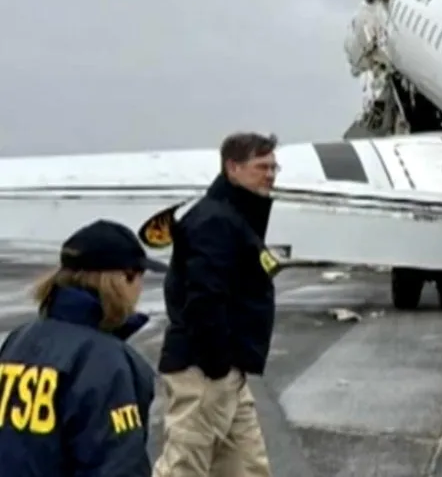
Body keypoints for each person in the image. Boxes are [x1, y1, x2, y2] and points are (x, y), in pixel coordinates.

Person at [154, 132, 280, 477]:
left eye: (273, 167)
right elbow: (202, 299)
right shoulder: (214, 221)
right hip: (204, 372)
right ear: (232, 168)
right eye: (261, 167)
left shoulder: (235, 218)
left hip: (227, 374)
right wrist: (217, 364)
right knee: (184, 468)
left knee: (248, 467)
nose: (270, 174)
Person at [0, 219, 167, 476]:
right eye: (139, 278)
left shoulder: (19, 340)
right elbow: (117, 464)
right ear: (123, 278)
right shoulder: (107, 362)